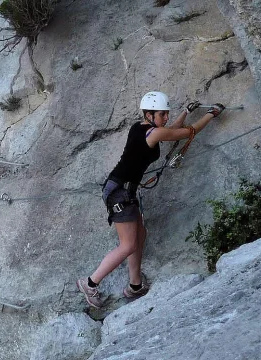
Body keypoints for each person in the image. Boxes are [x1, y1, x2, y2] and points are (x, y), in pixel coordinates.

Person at [77, 91, 225, 308]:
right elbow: (186, 133)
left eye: (166, 114)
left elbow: (170, 130)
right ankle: (90, 283)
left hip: (123, 190)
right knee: (127, 245)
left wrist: (185, 111)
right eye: (162, 114)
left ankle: (135, 286)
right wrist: (211, 114)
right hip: (120, 192)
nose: (165, 118)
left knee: (140, 235)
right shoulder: (152, 133)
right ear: (149, 114)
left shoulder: (141, 128)